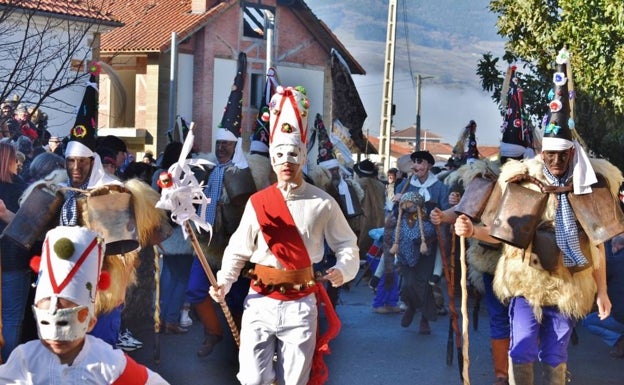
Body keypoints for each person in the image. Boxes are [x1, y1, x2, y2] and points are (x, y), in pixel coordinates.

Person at [450, 49, 615, 384]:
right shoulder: (524, 182)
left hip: (569, 283)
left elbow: (597, 248)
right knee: (521, 346)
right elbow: (501, 234)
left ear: (572, 153)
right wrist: (470, 230)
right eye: (549, 154)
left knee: (555, 354)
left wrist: (602, 292)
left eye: (561, 155)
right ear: (542, 152)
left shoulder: (588, 188)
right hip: (526, 281)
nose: (555, 160)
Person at [210, 85, 359, 385]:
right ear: (273, 160)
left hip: (302, 304)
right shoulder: (258, 202)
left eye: (293, 154)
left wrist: (343, 269)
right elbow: (238, 248)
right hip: (259, 300)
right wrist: (225, 279)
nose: (287, 160)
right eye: (280, 154)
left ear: (303, 157)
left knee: (294, 379)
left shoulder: (322, 202)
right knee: (252, 378)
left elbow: (347, 244)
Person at [0, 226, 169, 384]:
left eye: (65, 323)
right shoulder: (25, 359)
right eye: (46, 322)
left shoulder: (108, 363)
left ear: (90, 322)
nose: (56, 335)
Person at [0, 142, 31, 362]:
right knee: (12, 317)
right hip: (14, 260)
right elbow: (28, 227)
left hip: (11, 260)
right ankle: (8, 368)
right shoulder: (21, 188)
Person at [581, 233, 624, 358]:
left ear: (615, 247)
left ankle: (619, 339)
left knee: (588, 322)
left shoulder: (614, 263)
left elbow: (598, 284)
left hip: (620, 316)